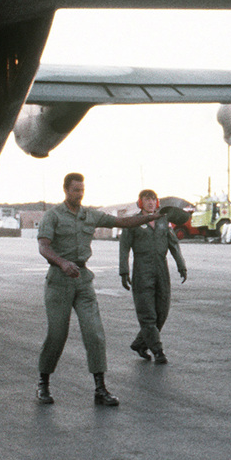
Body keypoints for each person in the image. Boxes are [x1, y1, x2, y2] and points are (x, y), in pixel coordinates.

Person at [36, 172, 159, 406]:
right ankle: (43, 383)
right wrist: (62, 263)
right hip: (59, 280)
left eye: (82, 190)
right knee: (57, 334)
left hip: (83, 279)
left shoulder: (89, 215)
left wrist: (151, 217)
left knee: (95, 334)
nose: (80, 194)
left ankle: (100, 389)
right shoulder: (53, 216)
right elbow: (43, 246)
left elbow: (122, 222)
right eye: (75, 190)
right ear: (65, 190)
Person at [119, 189, 187, 365]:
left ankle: (140, 343)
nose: (150, 202)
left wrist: (181, 265)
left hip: (161, 269)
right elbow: (124, 247)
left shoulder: (163, 220)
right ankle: (158, 350)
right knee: (147, 314)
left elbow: (173, 244)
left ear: (157, 202)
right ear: (140, 202)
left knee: (162, 311)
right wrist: (124, 271)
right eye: (147, 199)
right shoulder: (133, 222)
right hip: (142, 270)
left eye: (153, 199)